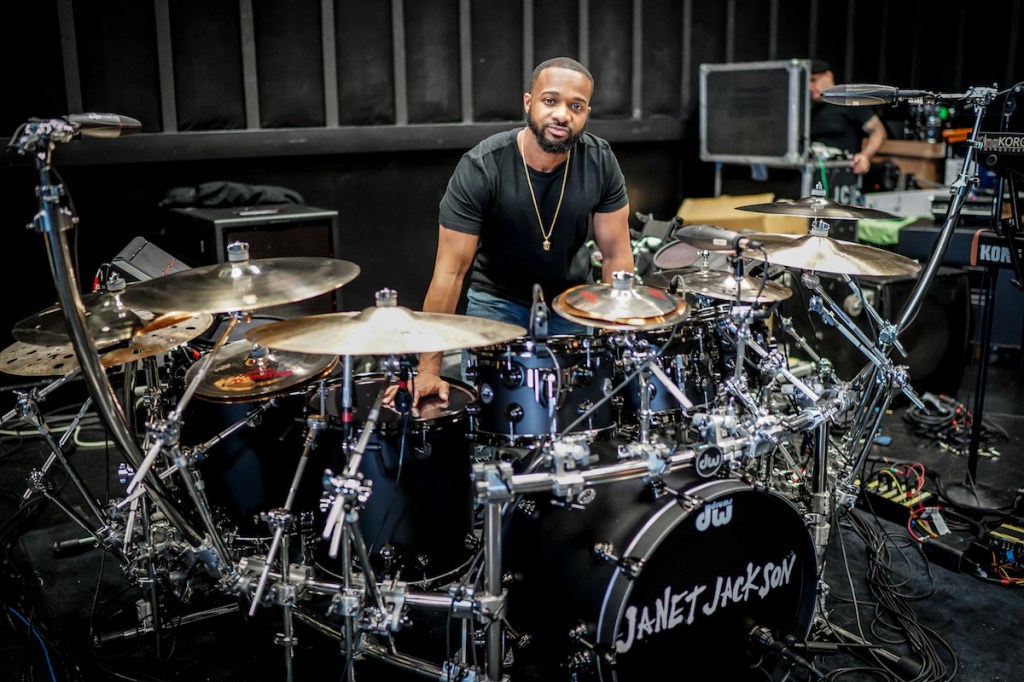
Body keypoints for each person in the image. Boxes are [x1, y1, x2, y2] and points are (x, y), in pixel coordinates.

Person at [394, 56, 634, 408]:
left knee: (578, 413)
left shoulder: (600, 160)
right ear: (528, 102)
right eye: (550, 101)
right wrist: (428, 368)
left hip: (572, 302)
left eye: (576, 106)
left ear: (586, 113)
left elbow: (616, 255)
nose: (562, 115)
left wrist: (615, 338)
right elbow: (450, 273)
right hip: (498, 301)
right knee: (497, 413)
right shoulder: (482, 167)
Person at [809, 60, 888, 176]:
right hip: (814, 173)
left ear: (828, 76)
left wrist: (865, 156)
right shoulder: (810, 108)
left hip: (841, 174)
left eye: (813, 80)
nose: (810, 87)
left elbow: (879, 132)